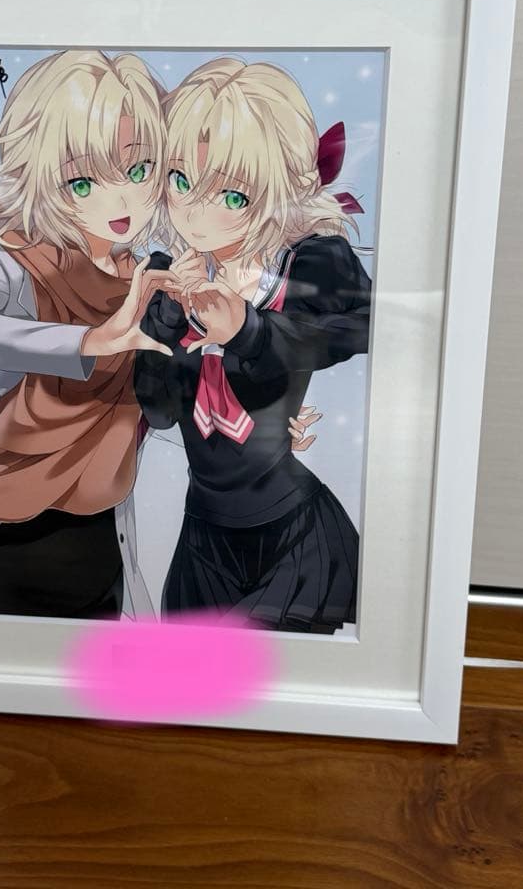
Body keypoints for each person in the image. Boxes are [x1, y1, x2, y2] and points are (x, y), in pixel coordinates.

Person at [135, 58, 371, 634]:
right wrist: (164, 327)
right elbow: (159, 411)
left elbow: (366, 326)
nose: (195, 211)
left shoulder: (306, 264)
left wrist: (250, 328)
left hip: (293, 537)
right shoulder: (164, 274)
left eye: (232, 195)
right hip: (203, 540)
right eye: (180, 180)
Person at [0, 49, 173, 620]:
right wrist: (83, 343)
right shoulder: (18, 260)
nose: (121, 199)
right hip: (17, 544)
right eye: (83, 180)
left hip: (107, 544)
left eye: (138, 171)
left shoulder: (143, 275)